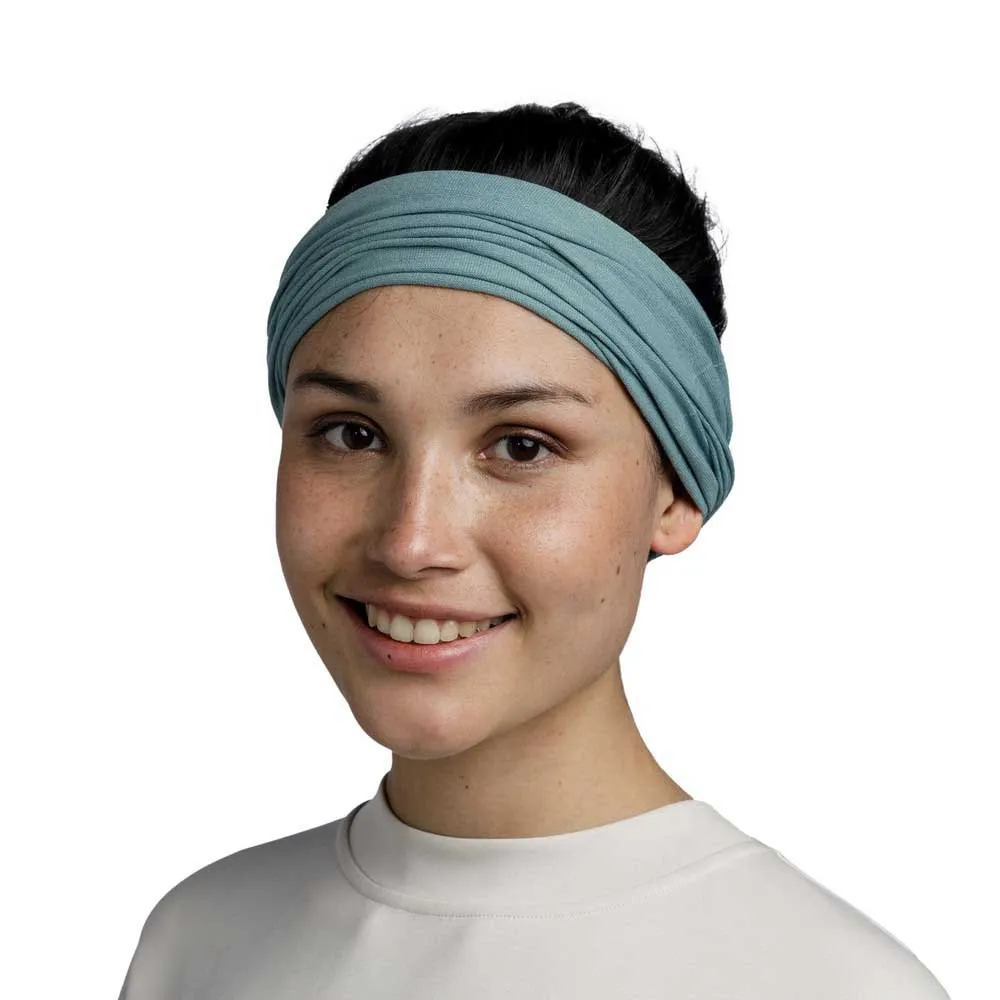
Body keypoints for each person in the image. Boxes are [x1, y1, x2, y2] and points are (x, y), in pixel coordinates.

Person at [116, 101, 950, 998]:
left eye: (521, 446)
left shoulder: (831, 983)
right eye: (353, 434)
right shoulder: (200, 940)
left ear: (676, 490)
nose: (411, 541)